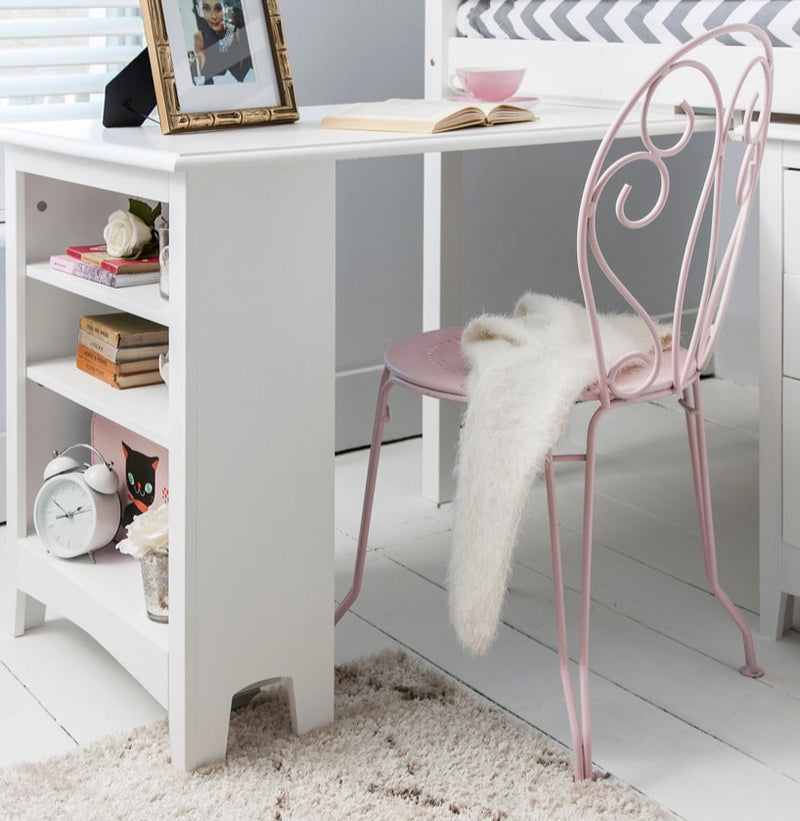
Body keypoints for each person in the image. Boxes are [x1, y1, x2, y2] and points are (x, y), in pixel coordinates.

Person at [192, 0, 253, 84]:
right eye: (206, 8)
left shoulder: (240, 33)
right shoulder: (199, 40)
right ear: (199, 10)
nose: (213, 16)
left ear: (226, 8)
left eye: (218, 8)